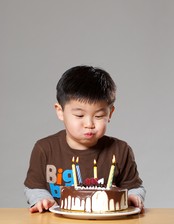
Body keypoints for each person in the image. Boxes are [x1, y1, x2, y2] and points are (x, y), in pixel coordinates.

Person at [24, 65, 146, 213]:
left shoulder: (120, 150)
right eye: (79, 115)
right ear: (60, 111)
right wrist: (41, 200)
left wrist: (133, 196)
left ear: (110, 113)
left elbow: (134, 187)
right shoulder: (45, 148)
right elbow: (34, 186)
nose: (89, 124)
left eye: (99, 116)